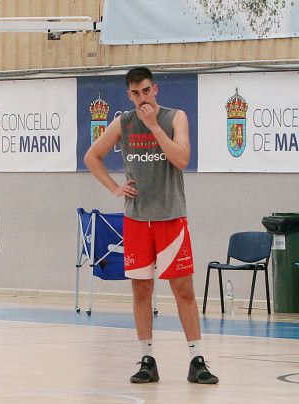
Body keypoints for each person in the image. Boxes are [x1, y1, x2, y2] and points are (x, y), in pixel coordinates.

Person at [83, 66, 218, 385]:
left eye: (145, 90)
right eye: (134, 93)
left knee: (183, 289)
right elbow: (92, 157)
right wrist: (114, 187)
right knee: (141, 290)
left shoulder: (175, 118)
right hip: (137, 220)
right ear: (128, 95)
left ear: (154, 89)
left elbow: (182, 159)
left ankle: (196, 359)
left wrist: (154, 126)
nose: (141, 97)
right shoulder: (122, 123)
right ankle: (147, 358)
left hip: (171, 217)